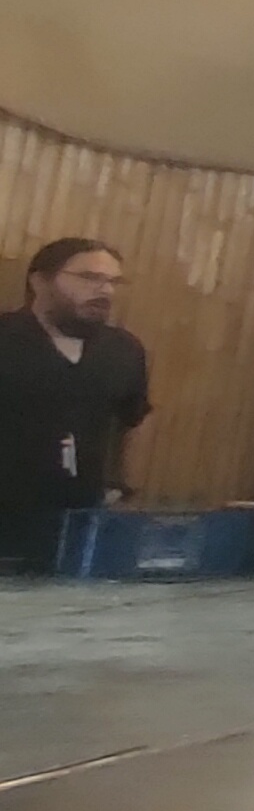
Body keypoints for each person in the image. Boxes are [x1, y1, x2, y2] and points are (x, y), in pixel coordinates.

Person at [0, 238, 148, 570]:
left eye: (113, 281)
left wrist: (121, 488)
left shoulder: (123, 350)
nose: (105, 290)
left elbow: (133, 420)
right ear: (40, 281)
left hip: (79, 527)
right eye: (89, 278)